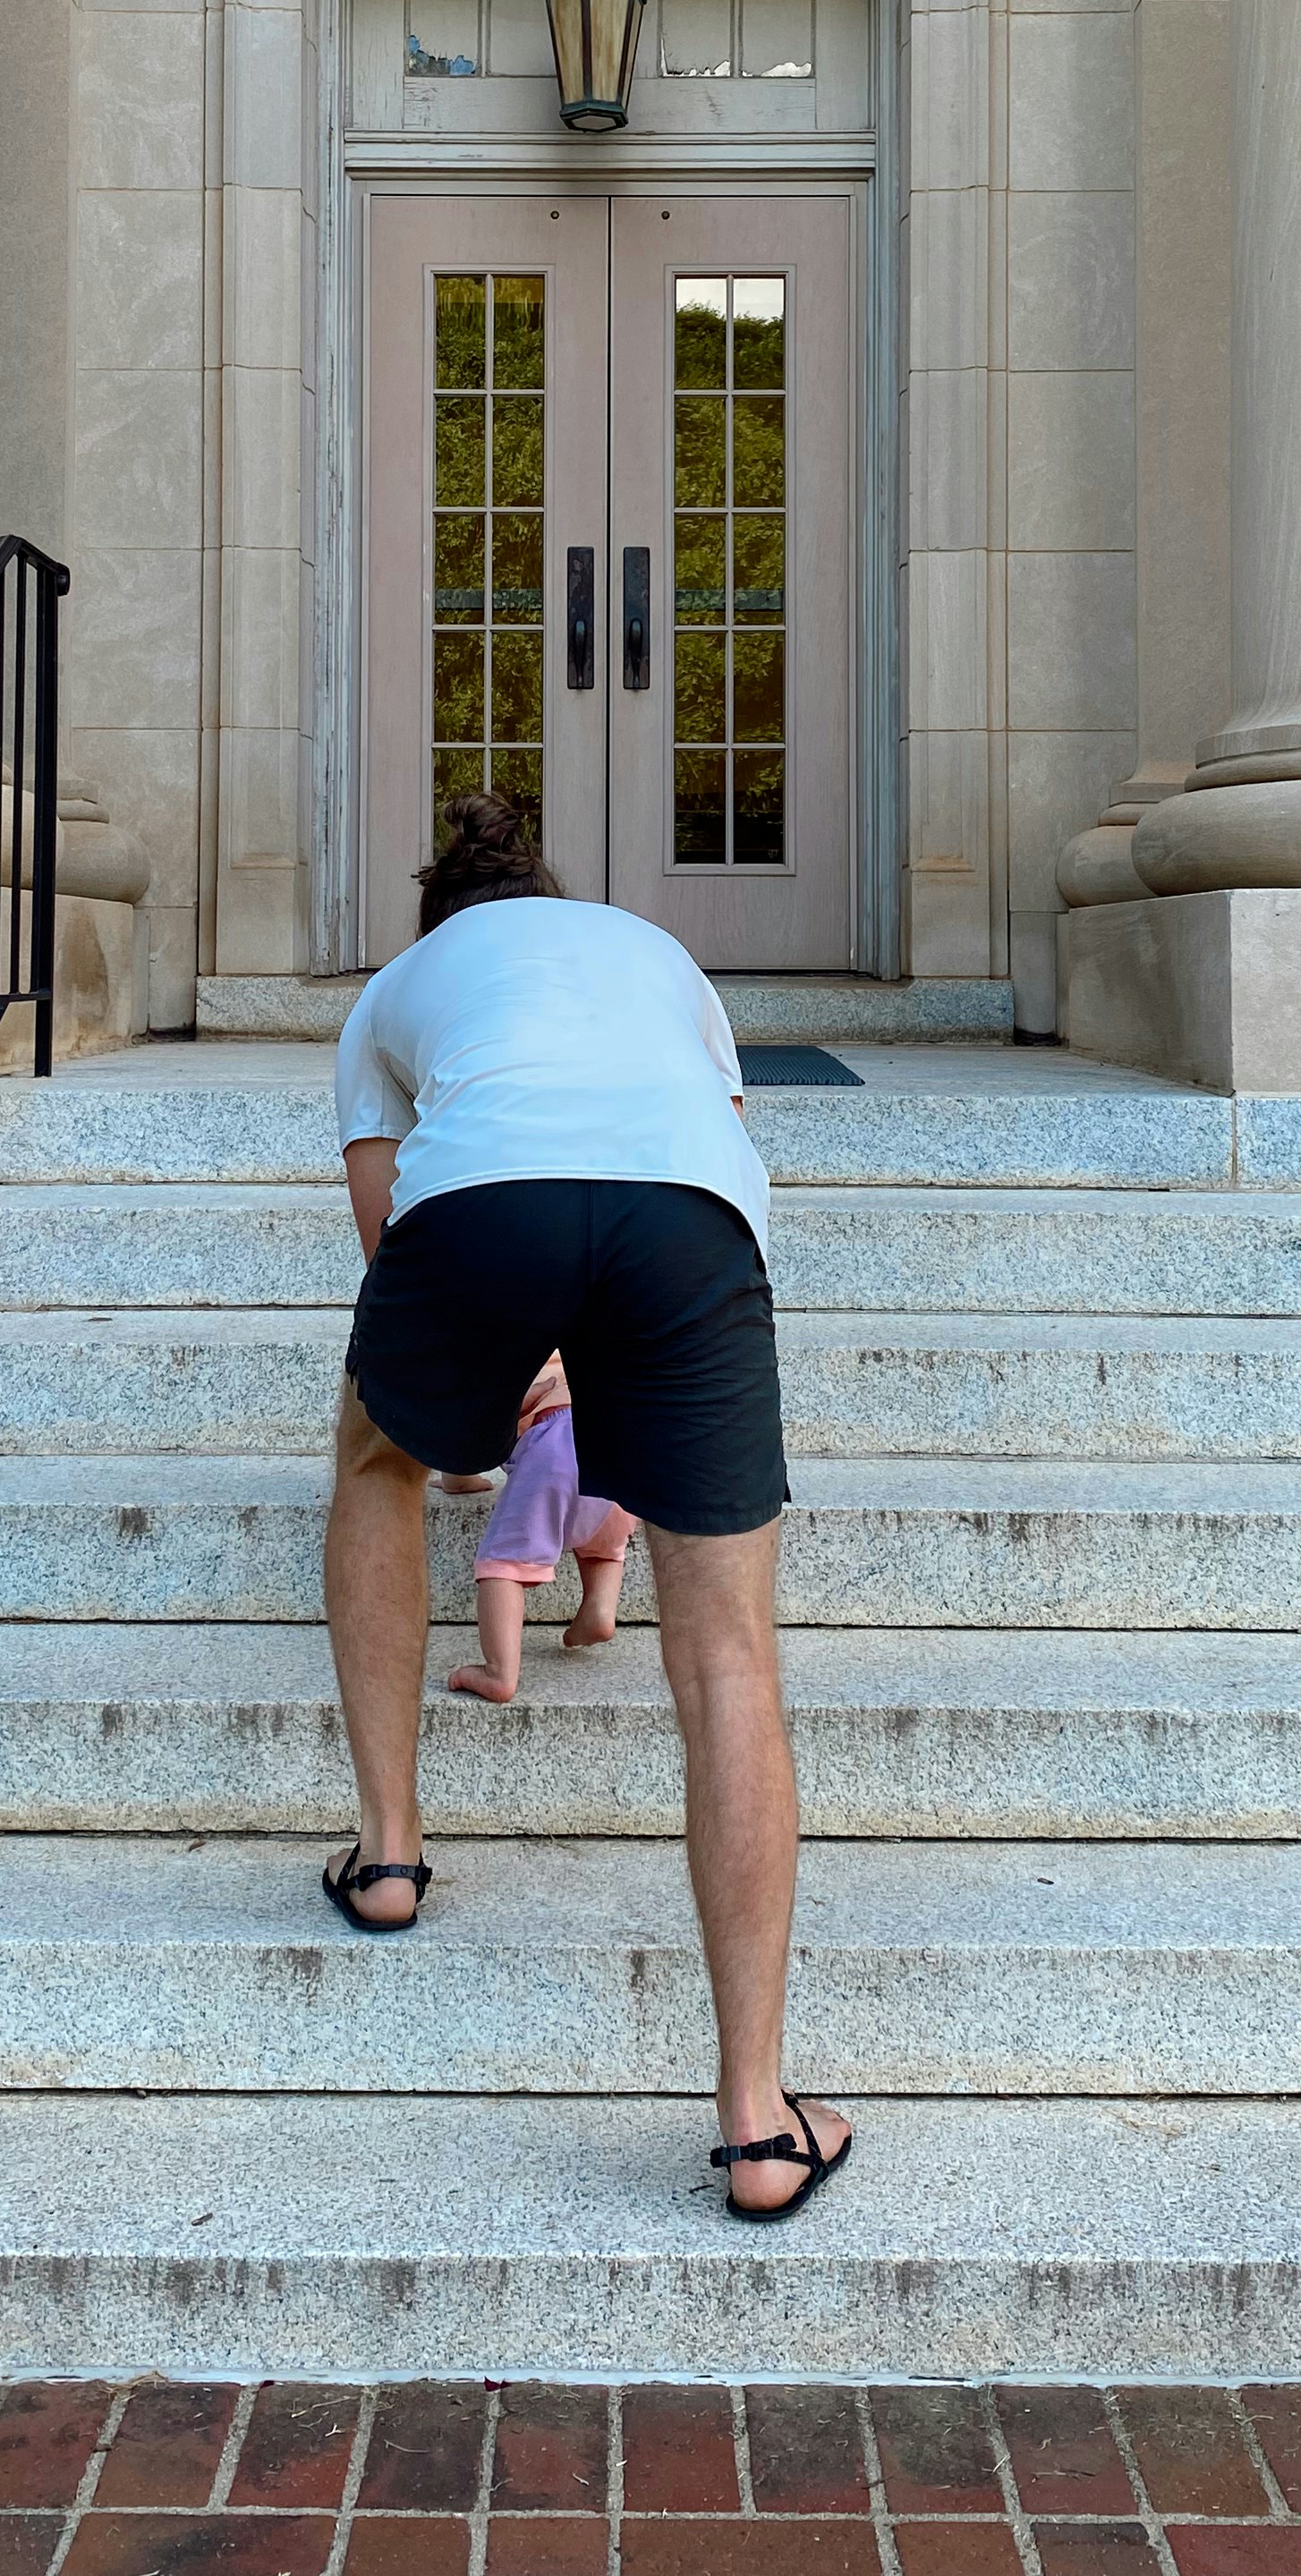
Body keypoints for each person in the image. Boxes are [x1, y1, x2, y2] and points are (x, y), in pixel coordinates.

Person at [319, 791, 853, 2223]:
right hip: (690, 1213)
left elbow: (388, 1248)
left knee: (373, 1455)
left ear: (444, 923)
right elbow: (720, 1141)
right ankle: (757, 2121)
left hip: (481, 1206)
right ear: (552, 897)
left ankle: (387, 1853)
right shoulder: (654, 949)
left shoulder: (396, 990)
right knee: (728, 1644)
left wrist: (477, 1398)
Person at [444, 1351, 634, 1704]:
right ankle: (600, 1608)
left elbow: (462, 1447)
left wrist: (459, 1482)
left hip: (554, 1445)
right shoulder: (583, 1346)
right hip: (621, 1445)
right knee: (606, 1547)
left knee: (503, 1563)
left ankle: (499, 1673)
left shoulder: (497, 1359)